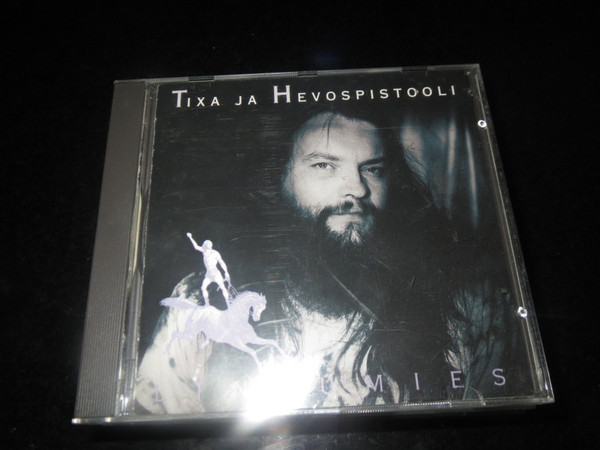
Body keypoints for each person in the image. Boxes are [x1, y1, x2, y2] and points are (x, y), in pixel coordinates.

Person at [135, 107, 514, 415]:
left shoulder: (466, 307)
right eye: (324, 166)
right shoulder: (203, 302)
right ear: (278, 180)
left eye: (373, 169)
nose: (357, 188)